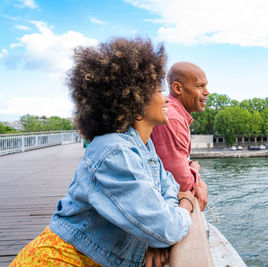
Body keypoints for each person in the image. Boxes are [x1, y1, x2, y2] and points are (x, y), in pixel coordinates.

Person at [10, 37, 195, 267]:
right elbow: (166, 227)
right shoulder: (113, 153)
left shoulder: (144, 148)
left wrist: (165, 221)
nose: (166, 97)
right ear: (135, 100)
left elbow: (168, 190)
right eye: (159, 90)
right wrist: (186, 205)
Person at [151, 62, 210, 211]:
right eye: (200, 86)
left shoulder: (173, 115)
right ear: (178, 88)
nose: (207, 92)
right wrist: (197, 174)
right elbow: (182, 183)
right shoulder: (173, 119)